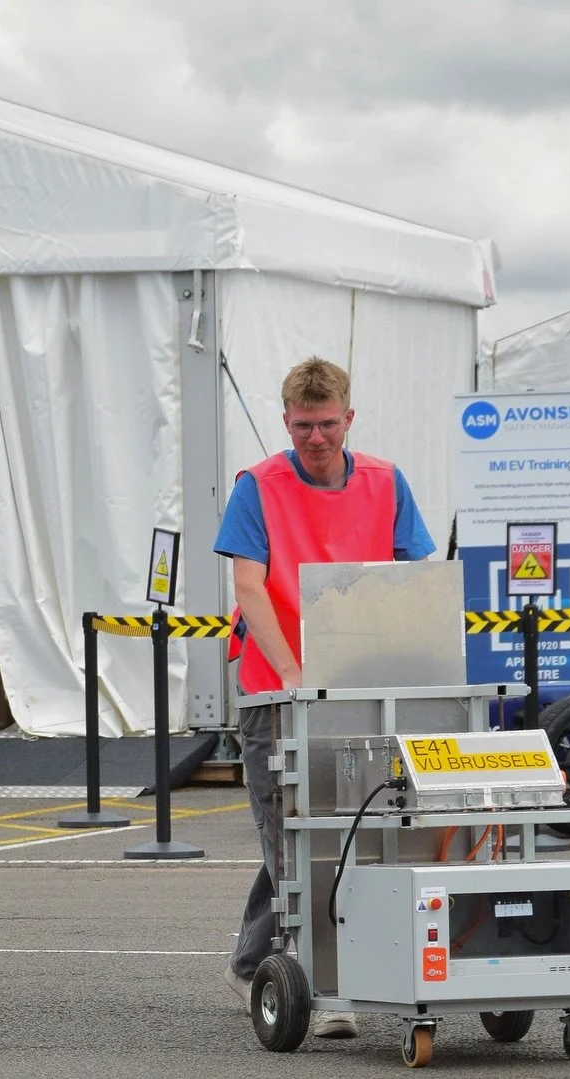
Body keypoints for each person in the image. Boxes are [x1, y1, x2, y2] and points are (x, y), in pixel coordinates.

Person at [213, 357, 434, 1040]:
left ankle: (254, 960)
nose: (316, 437)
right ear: (286, 421)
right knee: (293, 836)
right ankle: (329, 987)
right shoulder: (258, 486)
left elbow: (411, 574)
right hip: (278, 691)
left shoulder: (385, 481)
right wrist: (294, 673)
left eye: (327, 424)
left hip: (361, 686)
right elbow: (250, 587)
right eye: (303, 425)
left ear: (349, 417)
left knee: (341, 834)